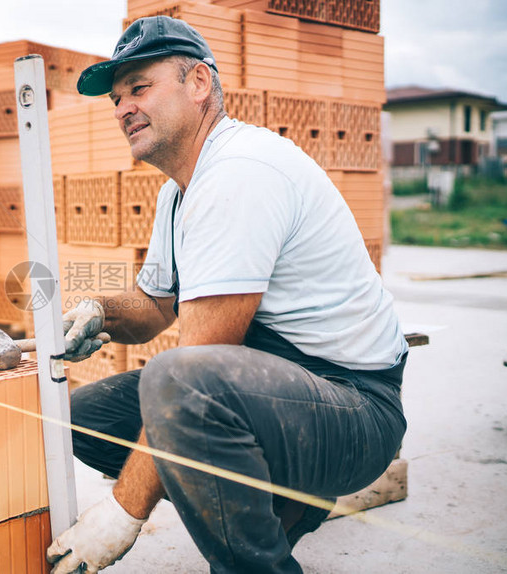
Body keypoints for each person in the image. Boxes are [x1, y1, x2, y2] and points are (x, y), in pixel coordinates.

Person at [46, 15, 409, 574]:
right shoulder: (178, 194)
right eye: (116, 98)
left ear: (197, 84)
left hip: (355, 406)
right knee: (84, 417)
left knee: (179, 381)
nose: (122, 109)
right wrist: (99, 311)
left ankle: (263, 552)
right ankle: (276, 508)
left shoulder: (240, 171)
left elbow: (193, 369)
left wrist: (121, 515)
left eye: (139, 88)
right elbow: (153, 310)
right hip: (283, 390)